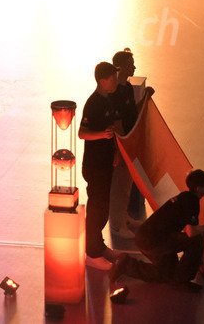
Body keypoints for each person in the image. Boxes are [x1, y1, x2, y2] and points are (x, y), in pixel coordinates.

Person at [110, 169, 204, 292]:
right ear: (199, 188)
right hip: (154, 240)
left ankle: (126, 265)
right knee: (198, 239)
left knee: (165, 274)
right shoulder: (191, 203)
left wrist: (202, 264)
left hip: (147, 238)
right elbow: (193, 233)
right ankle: (182, 281)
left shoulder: (184, 197)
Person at [77, 62, 121, 267]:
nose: (117, 80)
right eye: (113, 77)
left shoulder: (109, 100)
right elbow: (82, 133)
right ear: (103, 81)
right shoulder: (93, 103)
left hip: (106, 163)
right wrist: (101, 135)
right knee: (97, 208)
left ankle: (99, 246)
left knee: (103, 206)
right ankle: (92, 254)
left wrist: (116, 151)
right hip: (94, 166)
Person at [107, 49, 153, 238]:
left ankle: (123, 216)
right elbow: (116, 122)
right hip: (121, 145)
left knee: (127, 183)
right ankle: (117, 225)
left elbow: (131, 112)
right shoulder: (115, 90)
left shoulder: (126, 88)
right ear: (122, 66)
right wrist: (122, 145)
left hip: (128, 141)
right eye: (131, 63)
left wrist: (145, 99)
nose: (134, 66)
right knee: (119, 185)